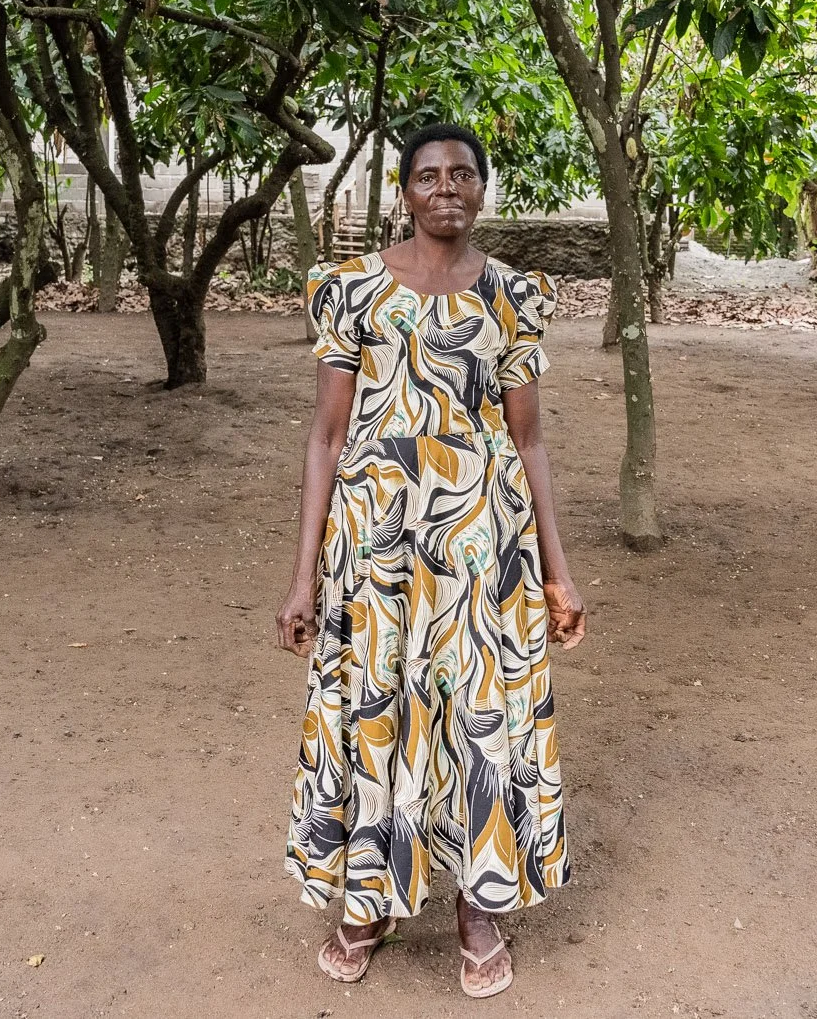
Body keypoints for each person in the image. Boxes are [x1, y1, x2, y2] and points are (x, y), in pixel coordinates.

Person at [275, 122, 588, 999]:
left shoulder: (514, 296)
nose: (445, 186)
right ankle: (369, 895)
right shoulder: (353, 291)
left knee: (478, 719)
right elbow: (326, 437)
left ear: (483, 189)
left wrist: (558, 570)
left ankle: (477, 903)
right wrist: (303, 574)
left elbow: (529, 443)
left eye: (462, 174)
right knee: (377, 707)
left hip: (480, 548)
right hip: (373, 550)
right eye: (426, 175)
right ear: (404, 190)